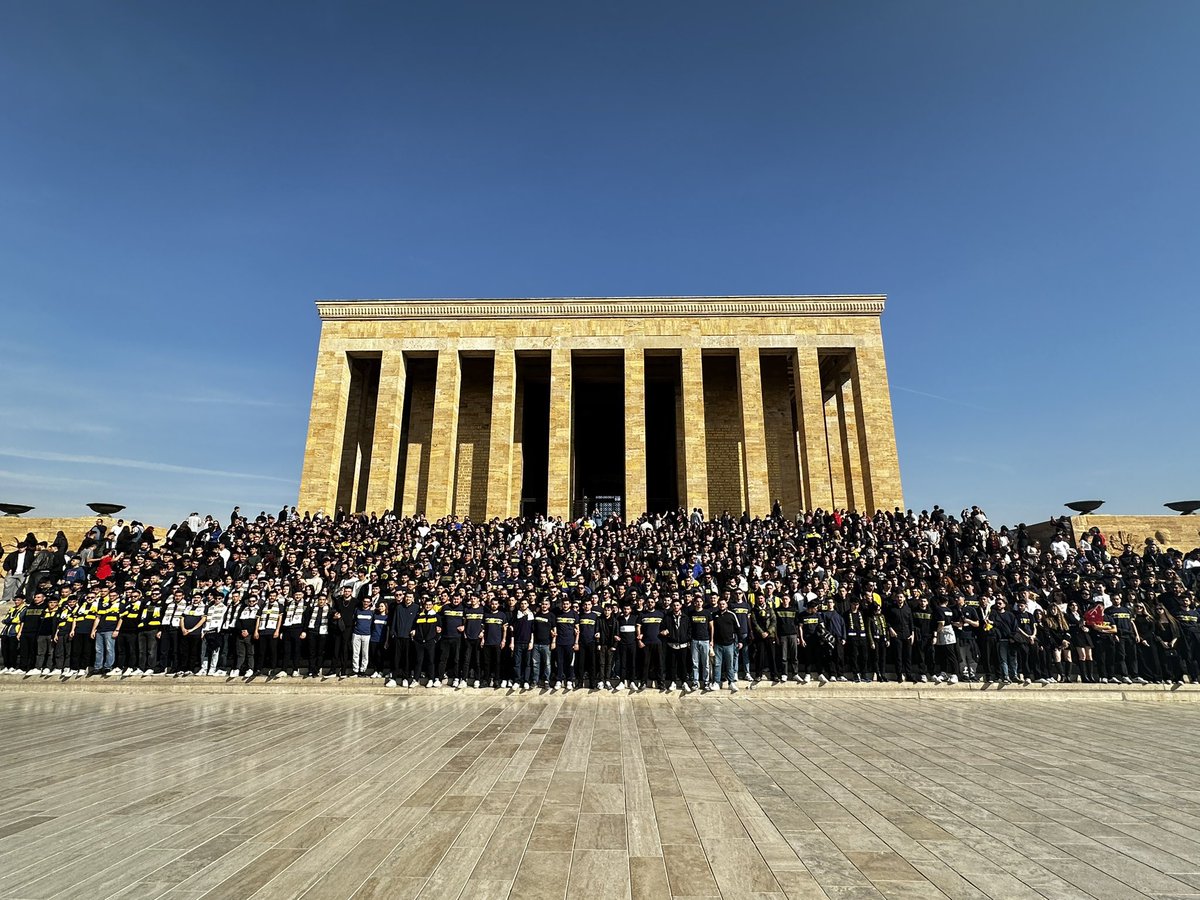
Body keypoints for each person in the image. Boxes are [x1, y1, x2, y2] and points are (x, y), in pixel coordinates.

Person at [711, 597, 741, 692]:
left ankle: (731, 682)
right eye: (720, 604)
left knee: (729, 664)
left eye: (723, 604)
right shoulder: (714, 615)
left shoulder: (732, 615)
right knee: (717, 664)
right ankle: (716, 682)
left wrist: (740, 641)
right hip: (717, 644)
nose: (721, 606)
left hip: (729, 644)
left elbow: (738, 629)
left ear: (726, 605)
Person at [686, 595, 713, 692]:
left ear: (702, 602)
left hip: (705, 640)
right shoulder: (691, 613)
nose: (698, 603)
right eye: (696, 601)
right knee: (695, 663)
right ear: (694, 603)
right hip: (694, 640)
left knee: (705, 663)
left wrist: (711, 641)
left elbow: (711, 627)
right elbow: (689, 628)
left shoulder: (707, 612)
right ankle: (695, 682)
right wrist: (689, 640)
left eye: (700, 601)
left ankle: (706, 682)